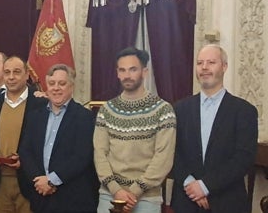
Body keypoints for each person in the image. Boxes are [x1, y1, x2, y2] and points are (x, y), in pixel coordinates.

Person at [171, 44, 258, 213]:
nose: (204, 68)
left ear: (224, 67)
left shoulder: (244, 111)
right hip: (186, 202)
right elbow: (172, 152)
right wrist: (190, 184)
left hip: (227, 202)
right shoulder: (180, 109)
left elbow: (243, 158)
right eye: (200, 63)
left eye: (211, 62)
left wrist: (205, 186)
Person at [94, 47, 176, 213]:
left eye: (133, 69)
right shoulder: (106, 110)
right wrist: (116, 190)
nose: (127, 75)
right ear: (117, 73)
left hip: (147, 198)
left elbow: (163, 158)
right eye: (122, 70)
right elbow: (99, 153)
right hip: (109, 195)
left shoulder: (163, 110)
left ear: (144, 72)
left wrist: (134, 192)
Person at [19, 64, 98, 213]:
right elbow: (25, 151)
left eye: (62, 84)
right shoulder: (35, 116)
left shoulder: (84, 117)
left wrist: (51, 180)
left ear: (71, 86)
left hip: (72, 198)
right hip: (40, 196)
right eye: (51, 83)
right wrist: (39, 180)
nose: (56, 88)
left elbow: (82, 156)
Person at [0, 55, 45, 213]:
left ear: (27, 74)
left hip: (29, 182)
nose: (11, 77)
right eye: (7, 72)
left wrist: (25, 162)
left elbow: (45, 144)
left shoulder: (40, 105)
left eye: (16, 72)